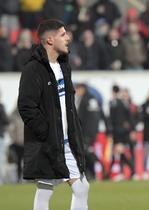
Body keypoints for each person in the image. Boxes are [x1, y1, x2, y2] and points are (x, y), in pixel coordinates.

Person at [17, 19, 89, 210]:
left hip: (67, 142)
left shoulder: (64, 65)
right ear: (50, 40)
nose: (68, 38)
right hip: (48, 141)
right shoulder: (33, 69)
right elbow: (26, 107)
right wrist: (46, 132)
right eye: (63, 34)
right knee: (46, 190)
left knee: (81, 188)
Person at [108, 85, 135, 180]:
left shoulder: (114, 102)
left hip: (118, 131)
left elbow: (111, 118)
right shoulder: (122, 102)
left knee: (118, 151)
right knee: (119, 152)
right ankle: (128, 171)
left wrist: (110, 131)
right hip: (121, 131)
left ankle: (130, 171)